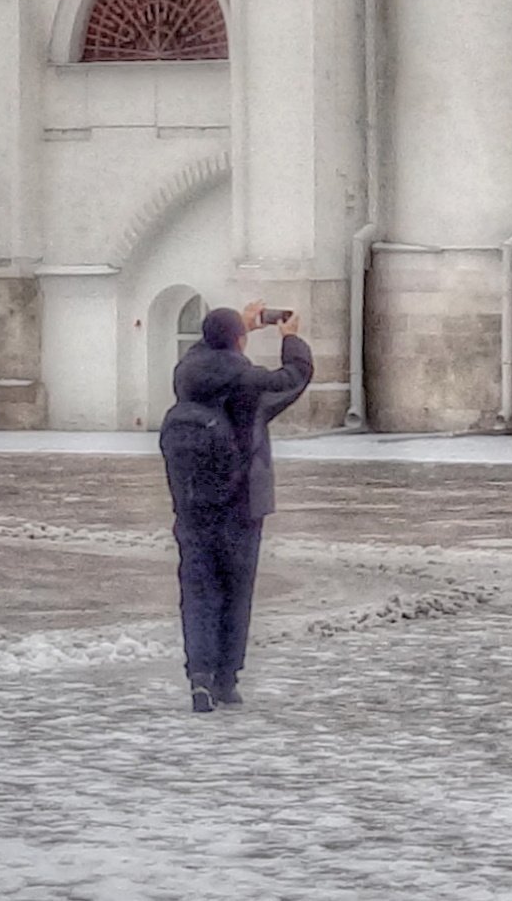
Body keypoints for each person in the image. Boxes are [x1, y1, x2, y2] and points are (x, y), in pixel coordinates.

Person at [159, 303, 314, 715]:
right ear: (240, 341)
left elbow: (204, 349)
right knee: (235, 589)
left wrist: (232, 328)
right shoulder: (248, 382)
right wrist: (291, 339)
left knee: (197, 589)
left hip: (191, 501)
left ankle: (199, 678)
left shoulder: (185, 373)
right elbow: (294, 378)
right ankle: (227, 679)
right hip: (240, 500)